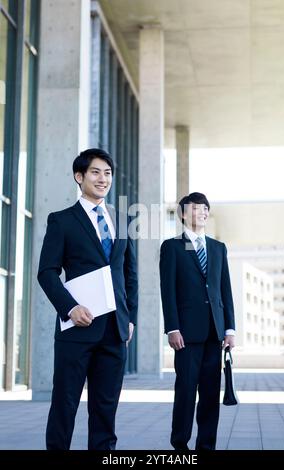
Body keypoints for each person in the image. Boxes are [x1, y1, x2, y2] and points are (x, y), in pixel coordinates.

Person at [38, 148, 138, 450]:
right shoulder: (62, 221)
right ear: (79, 177)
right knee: (65, 405)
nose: (102, 179)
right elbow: (47, 273)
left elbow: (130, 274)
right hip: (78, 329)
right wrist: (70, 308)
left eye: (107, 173)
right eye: (95, 172)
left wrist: (130, 317)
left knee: (105, 410)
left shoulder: (121, 220)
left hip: (114, 330)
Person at [159, 192, 235, 451]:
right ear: (182, 214)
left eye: (205, 208)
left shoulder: (218, 248)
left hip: (215, 332)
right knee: (186, 392)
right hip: (186, 335)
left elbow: (225, 291)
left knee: (211, 395)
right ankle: (180, 444)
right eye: (195, 208)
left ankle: (207, 446)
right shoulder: (171, 247)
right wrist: (172, 327)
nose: (201, 212)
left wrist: (230, 328)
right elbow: (167, 290)